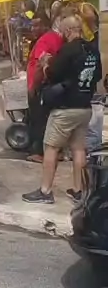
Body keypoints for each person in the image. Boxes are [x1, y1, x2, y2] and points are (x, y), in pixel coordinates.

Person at [22, 15, 102, 205]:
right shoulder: (92, 49)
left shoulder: (67, 50)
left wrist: (45, 64)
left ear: (67, 31)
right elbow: (98, 75)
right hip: (85, 107)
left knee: (50, 148)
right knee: (78, 149)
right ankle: (79, 190)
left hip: (65, 109)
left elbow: (52, 74)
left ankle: (45, 191)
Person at [26, 15, 63, 163]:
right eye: (32, 25)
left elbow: (39, 66)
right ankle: (55, 151)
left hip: (41, 85)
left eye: (37, 25)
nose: (33, 29)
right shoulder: (56, 39)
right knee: (49, 120)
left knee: (38, 119)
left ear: (46, 26)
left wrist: (33, 87)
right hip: (53, 85)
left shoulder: (44, 41)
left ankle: (38, 152)